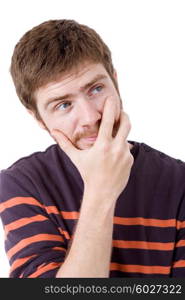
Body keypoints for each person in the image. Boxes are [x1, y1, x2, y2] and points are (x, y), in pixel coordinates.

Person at [0, 19, 185, 278]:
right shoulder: (22, 183)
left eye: (96, 89)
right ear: (40, 120)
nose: (89, 117)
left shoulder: (179, 181)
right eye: (63, 105)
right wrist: (101, 190)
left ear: (116, 83)